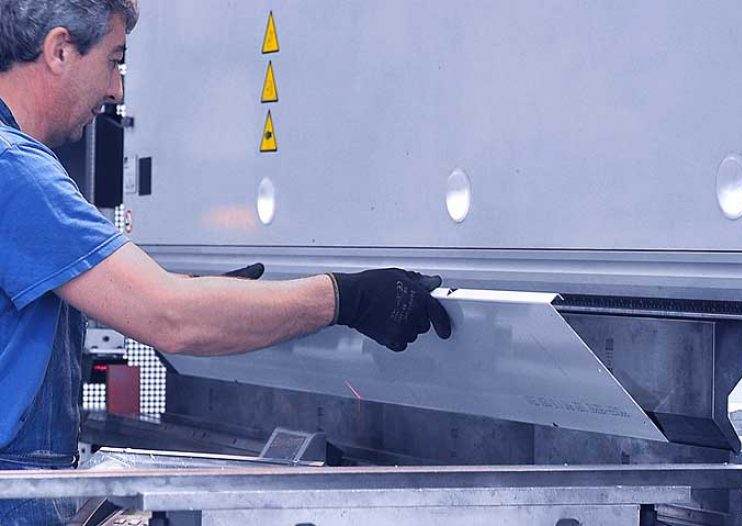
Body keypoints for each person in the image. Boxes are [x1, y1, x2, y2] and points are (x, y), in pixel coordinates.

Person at [0, 1, 451, 523]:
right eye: (113, 61)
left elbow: (108, 299)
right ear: (59, 50)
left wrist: (215, 296)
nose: (116, 90)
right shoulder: (17, 171)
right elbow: (173, 318)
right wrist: (347, 298)